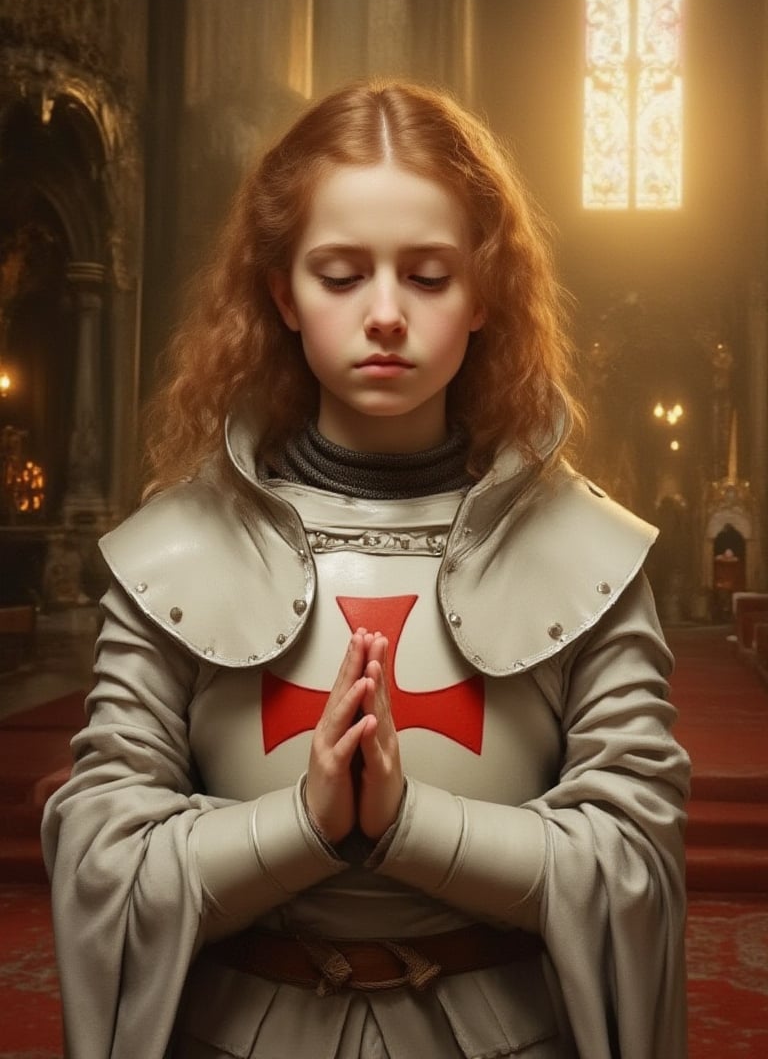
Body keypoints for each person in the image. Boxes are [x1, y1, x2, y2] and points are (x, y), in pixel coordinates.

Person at [42, 79, 690, 1059]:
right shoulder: (172, 556)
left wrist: (407, 823)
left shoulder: (588, 561)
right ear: (280, 291)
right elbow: (106, 868)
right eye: (341, 274)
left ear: (483, 293)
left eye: (428, 276)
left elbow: (633, 865)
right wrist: (304, 824)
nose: (385, 314)